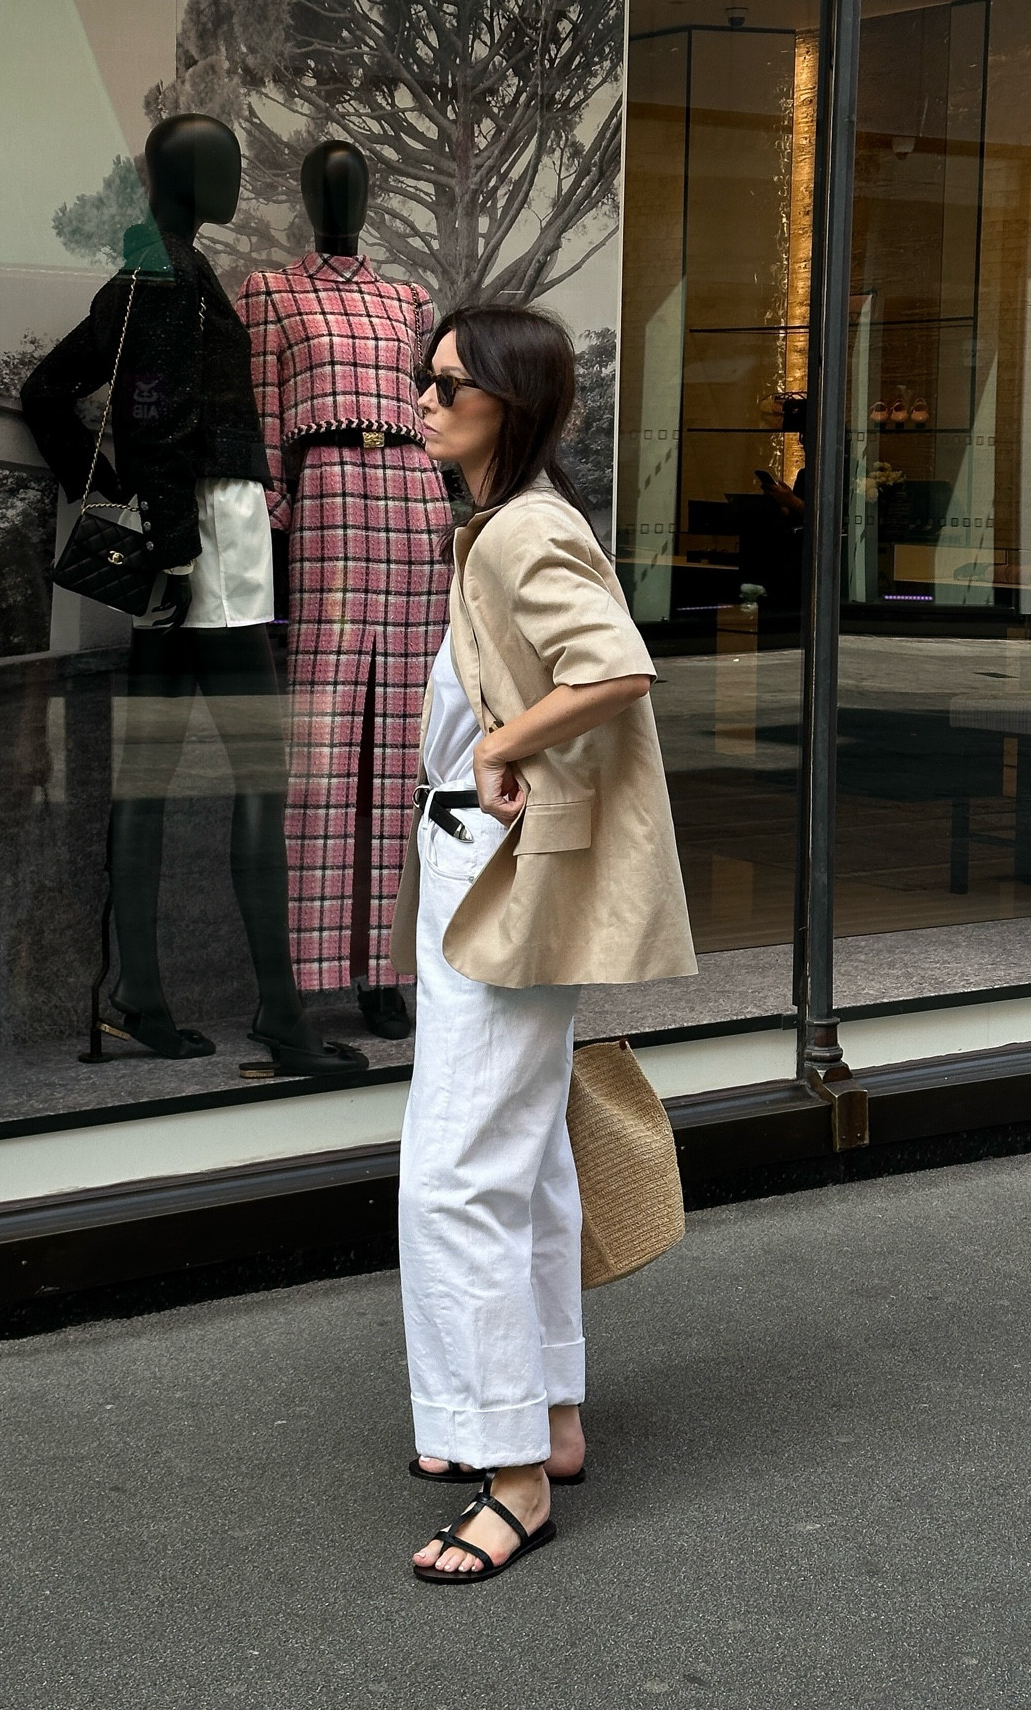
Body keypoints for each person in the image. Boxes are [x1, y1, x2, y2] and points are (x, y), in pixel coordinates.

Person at [391, 304, 695, 1585]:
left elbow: (616, 667)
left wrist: (506, 747)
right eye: (424, 375)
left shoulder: (521, 527)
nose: (421, 396)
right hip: (480, 856)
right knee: (520, 1160)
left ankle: (505, 1470)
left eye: (447, 381)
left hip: (495, 869)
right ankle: (550, 1418)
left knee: (455, 1172)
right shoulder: (497, 524)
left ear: (504, 403)